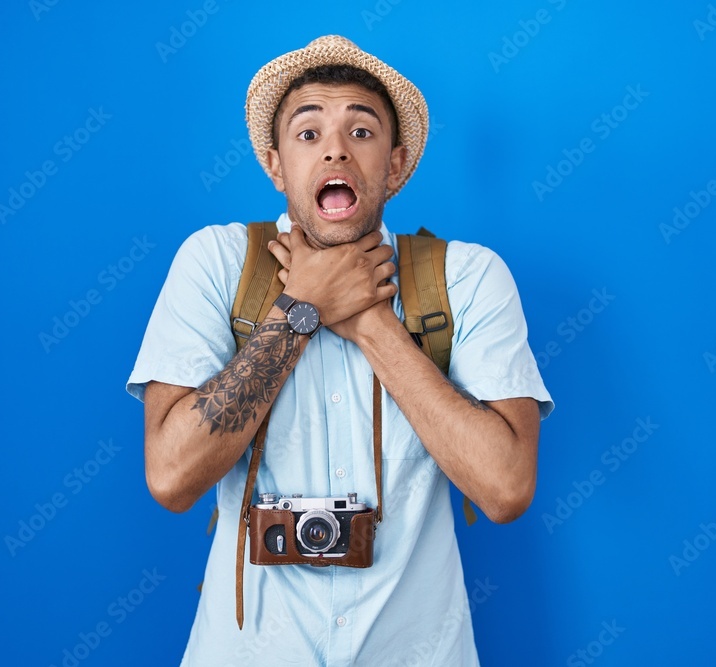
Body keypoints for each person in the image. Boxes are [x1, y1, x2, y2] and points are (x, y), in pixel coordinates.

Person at [127, 35, 553, 666]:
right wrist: (300, 313)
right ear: (275, 165)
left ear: (397, 164)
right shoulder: (214, 264)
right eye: (308, 133)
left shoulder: (468, 278)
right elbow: (171, 476)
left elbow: (506, 488)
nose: (334, 148)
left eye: (361, 130)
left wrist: (370, 322)